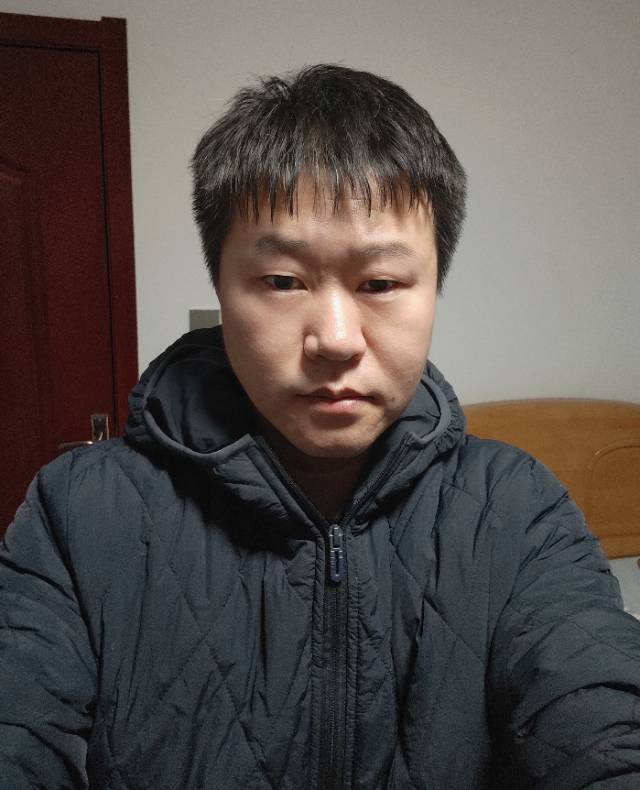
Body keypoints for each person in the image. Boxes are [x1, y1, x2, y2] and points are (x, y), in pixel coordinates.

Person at [1, 64, 639, 790]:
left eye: (381, 284)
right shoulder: (78, 514)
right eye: (282, 281)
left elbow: (602, 719)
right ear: (220, 287)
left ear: (435, 288)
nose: (335, 338)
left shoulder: (517, 510)